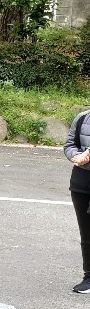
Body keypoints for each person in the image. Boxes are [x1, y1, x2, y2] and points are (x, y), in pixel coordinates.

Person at [65, 109, 90, 293]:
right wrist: (75, 155)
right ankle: (88, 277)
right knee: (86, 232)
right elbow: (69, 144)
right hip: (81, 182)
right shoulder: (82, 118)